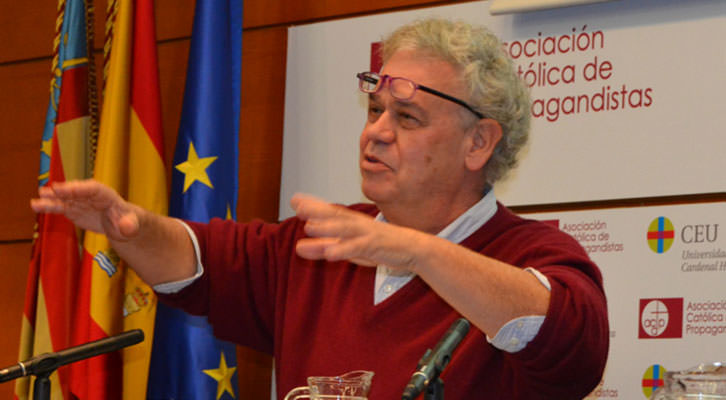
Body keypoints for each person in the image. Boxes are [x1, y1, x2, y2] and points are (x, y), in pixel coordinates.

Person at [31, 18, 608, 399]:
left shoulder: (532, 254)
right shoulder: (322, 242)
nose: (375, 133)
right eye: (374, 109)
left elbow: (567, 337)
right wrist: (130, 228)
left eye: (405, 119)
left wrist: (417, 252)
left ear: (478, 143)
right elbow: (200, 262)